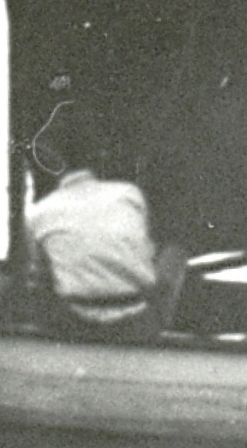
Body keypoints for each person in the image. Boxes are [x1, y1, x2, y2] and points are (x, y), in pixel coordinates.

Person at [24, 109, 188, 338]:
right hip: (137, 320)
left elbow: (39, 279)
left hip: (74, 320)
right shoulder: (129, 195)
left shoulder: (40, 212)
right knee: (175, 252)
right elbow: (146, 253)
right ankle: (162, 333)